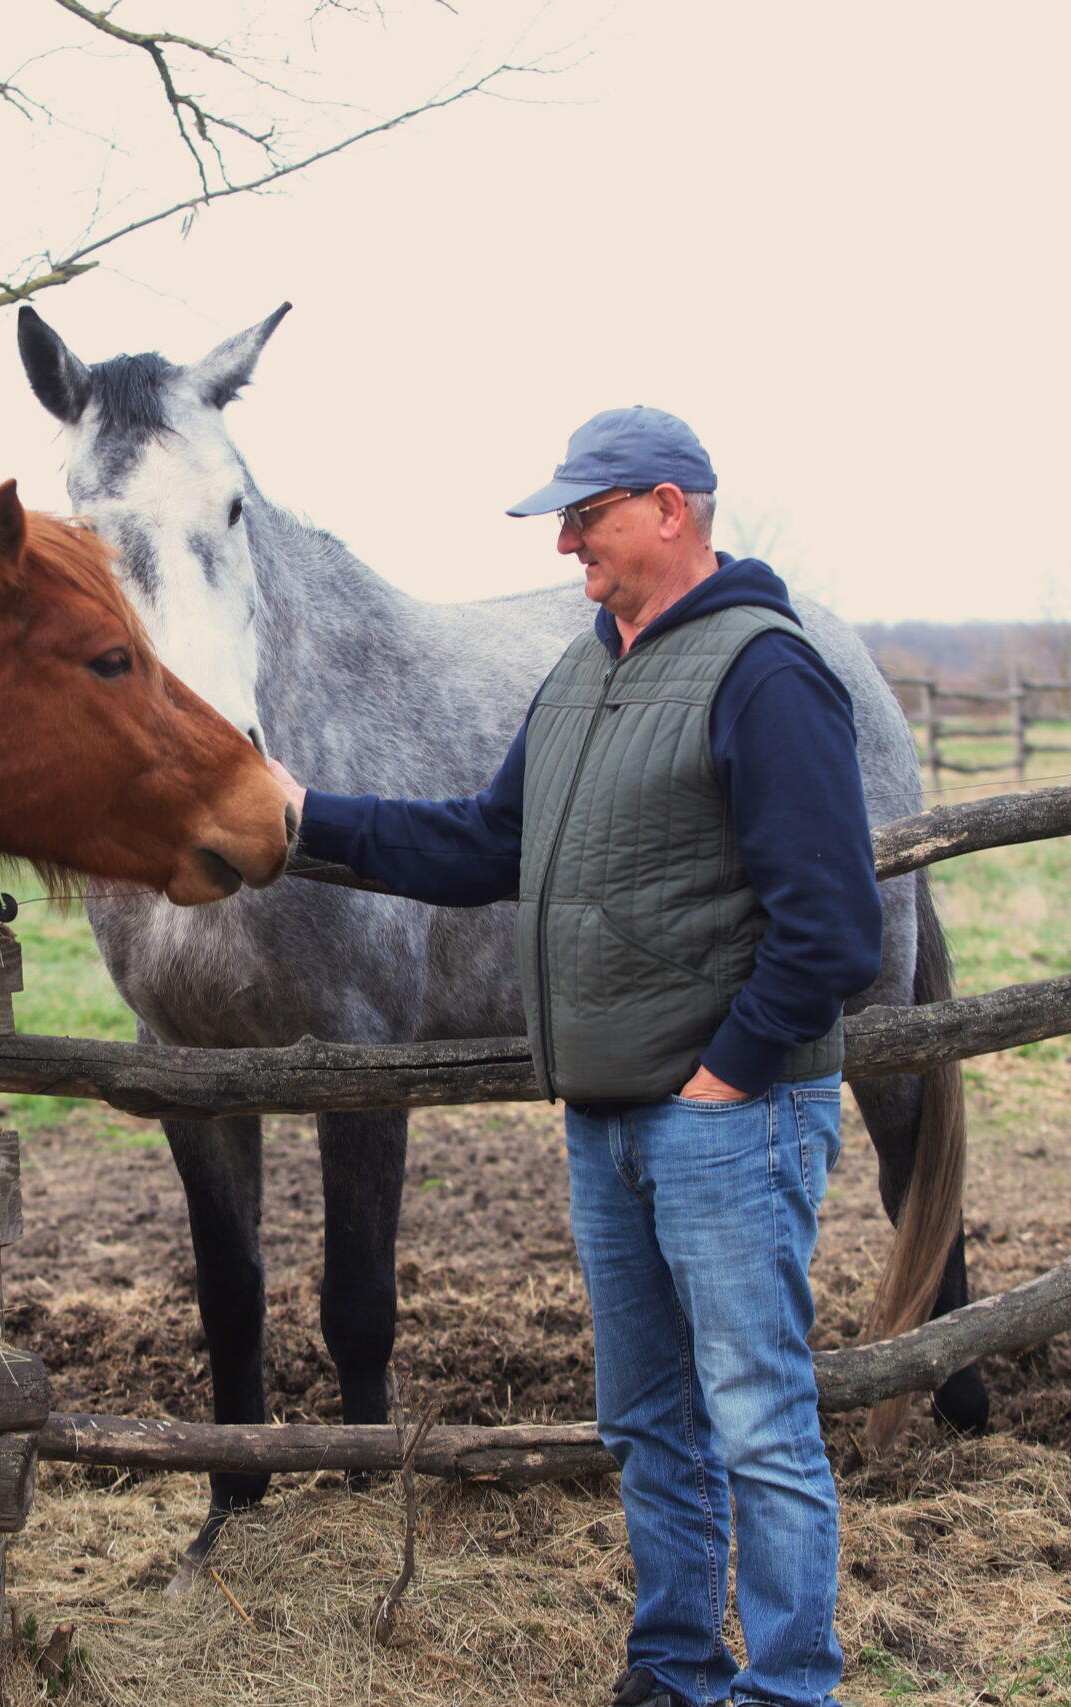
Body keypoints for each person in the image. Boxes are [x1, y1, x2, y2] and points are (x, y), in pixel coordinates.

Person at [264, 406, 878, 1707]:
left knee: (757, 1419)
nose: (564, 545)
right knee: (648, 1420)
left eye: (585, 517)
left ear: (669, 508)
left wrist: (723, 1079)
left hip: (725, 1117)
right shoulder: (587, 674)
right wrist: (308, 818)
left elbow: (832, 926)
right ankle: (674, 1667)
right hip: (608, 1116)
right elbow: (486, 844)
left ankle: (788, 1689)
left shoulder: (768, 674)